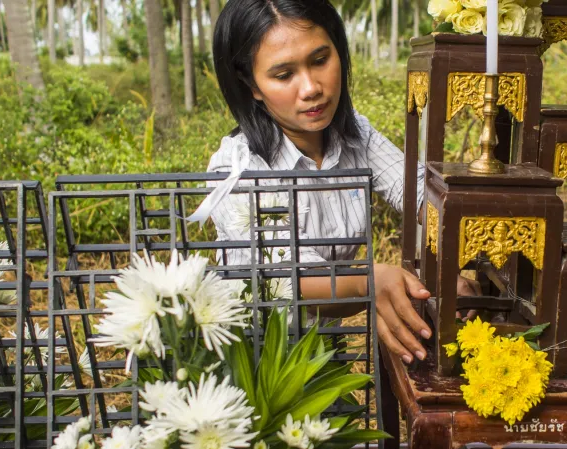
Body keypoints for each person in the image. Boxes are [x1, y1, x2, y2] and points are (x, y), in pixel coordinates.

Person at [195, 0, 478, 365]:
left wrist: (452, 258)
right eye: (284, 75)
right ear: (251, 84)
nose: (311, 88)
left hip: (323, 357)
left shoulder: (355, 134)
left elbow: (418, 191)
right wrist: (369, 280)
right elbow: (289, 277)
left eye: (320, 60)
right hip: (253, 366)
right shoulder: (237, 167)